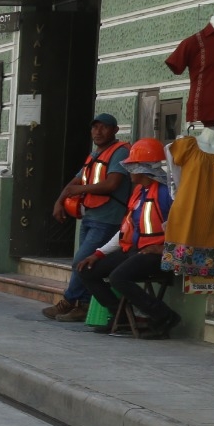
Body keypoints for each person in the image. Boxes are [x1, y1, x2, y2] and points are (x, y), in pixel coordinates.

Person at [75, 138, 178, 339]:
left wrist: (164, 250)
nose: (129, 170)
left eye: (132, 166)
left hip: (158, 255)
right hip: (136, 251)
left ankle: (164, 316)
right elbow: (125, 230)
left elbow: (182, 226)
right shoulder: (139, 192)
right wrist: (98, 254)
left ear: (143, 168)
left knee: (118, 277)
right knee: (87, 270)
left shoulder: (167, 193)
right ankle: (120, 315)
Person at [43, 113, 132, 322]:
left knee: (80, 261)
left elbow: (112, 184)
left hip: (108, 219)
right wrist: (60, 200)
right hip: (90, 217)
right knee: (85, 264)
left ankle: (68, 300)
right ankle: (82, 305)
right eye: (95, 127)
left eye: (104, 127)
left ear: (115, 130)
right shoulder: (95, 155)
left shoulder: (119, 152)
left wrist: (78, 190)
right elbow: (76, 180)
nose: (98, 132)